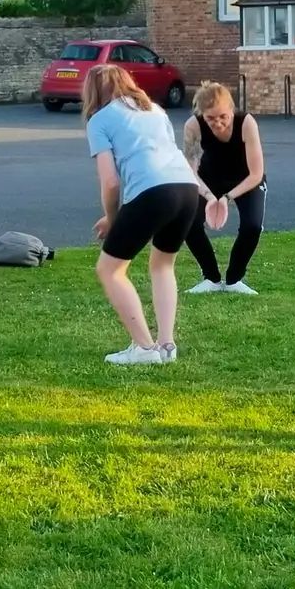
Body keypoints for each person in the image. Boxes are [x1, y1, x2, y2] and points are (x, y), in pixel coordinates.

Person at [84, 64, 209, 365]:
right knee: (162, 265)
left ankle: (144, 348)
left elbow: (111, 181)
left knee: (110, 270)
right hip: (186, 189)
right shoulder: (155, 110)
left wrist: (112, 218)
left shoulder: (99, 120)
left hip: (153, 191)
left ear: (92, 93)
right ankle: (166, 346)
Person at [182, 82, 267, 295]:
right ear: (202, 114)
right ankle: (210, 277)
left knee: (252, 226)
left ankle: (234, 279)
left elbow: (256, 173)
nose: (217, 123)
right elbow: (189, 171)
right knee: (188, 223)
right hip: (210, 179)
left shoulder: (246, 123)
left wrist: (227, 197)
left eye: (223, 117)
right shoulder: (192, 126)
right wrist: (210, 196)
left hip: (246, 178)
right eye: (210, 118)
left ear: (231, 110)